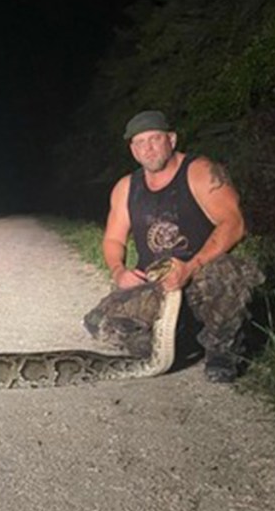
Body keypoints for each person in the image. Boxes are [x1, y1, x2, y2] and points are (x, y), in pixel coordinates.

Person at [101, 110, 264, 383]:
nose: (148, 148)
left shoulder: (201, 171)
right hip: (156, 283)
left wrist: (190, 267)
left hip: (200, 277)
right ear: (132, 149)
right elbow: (113, 240)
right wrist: (119, 271)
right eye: (140, 142)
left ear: (172, 139)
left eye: (155, 139)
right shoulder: (126, 187)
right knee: (106, 325)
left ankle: (222, 351)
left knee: (227, 272)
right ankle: (184, 338)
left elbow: (234, 223)